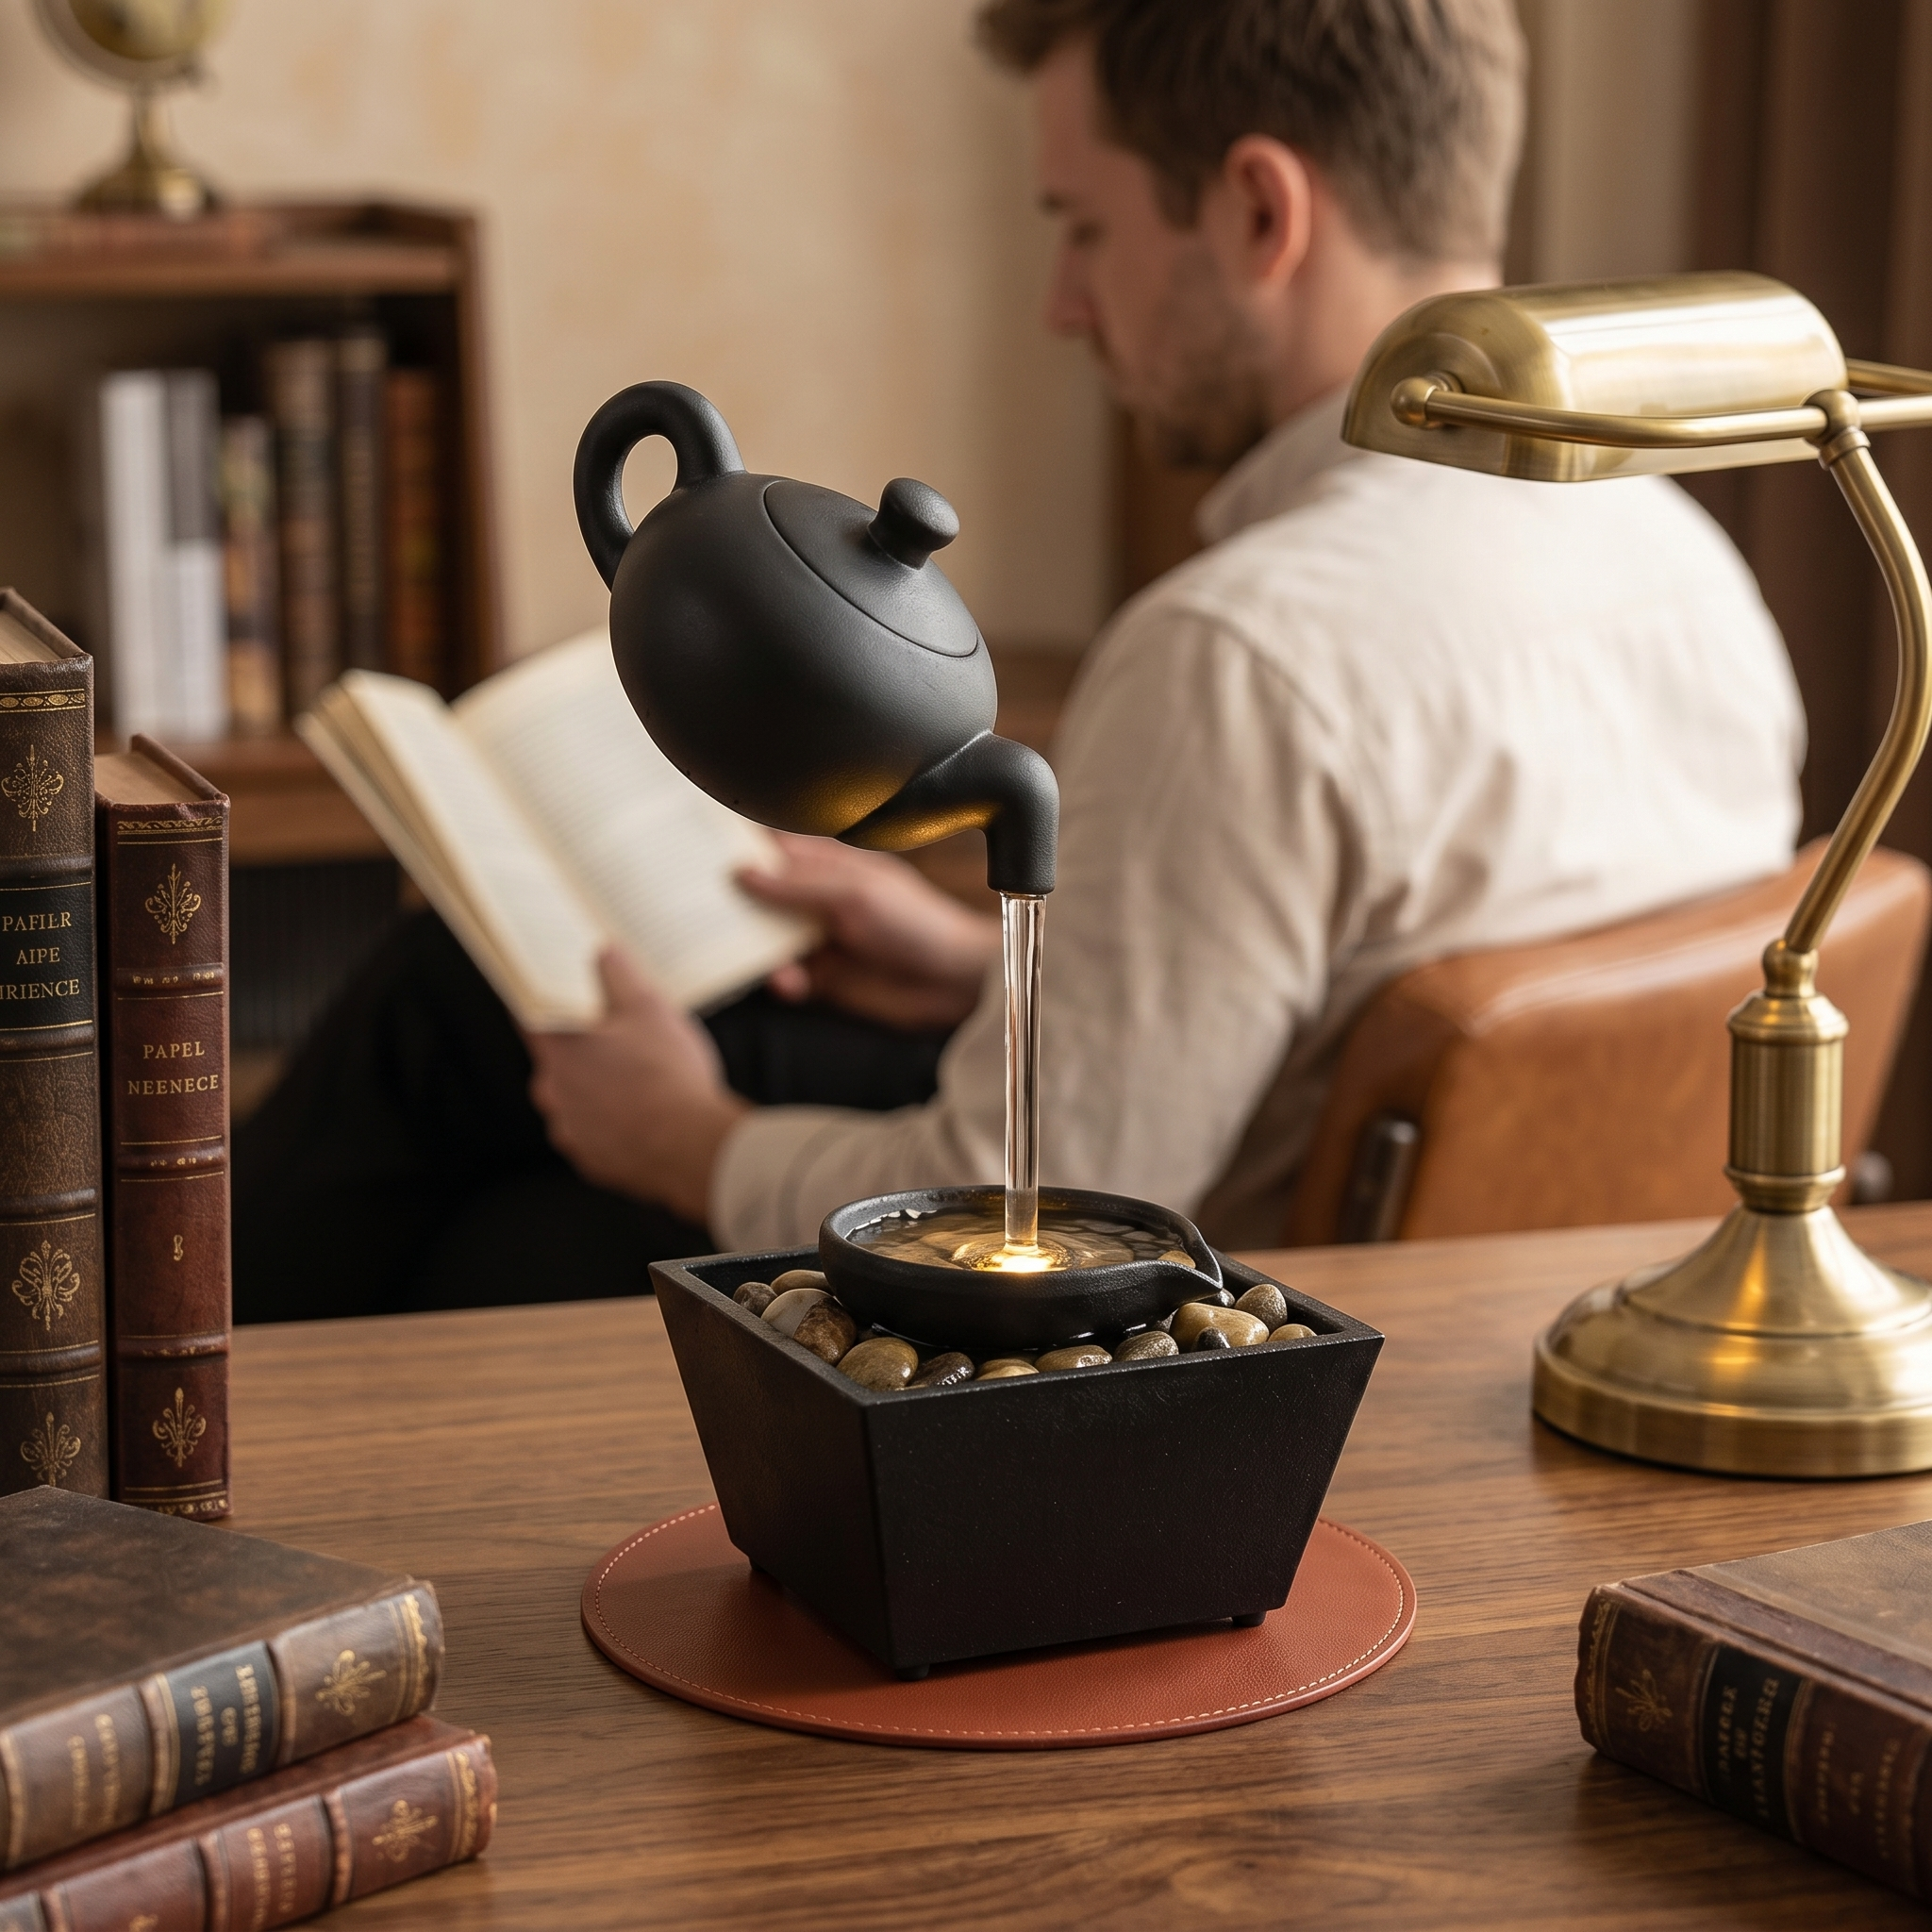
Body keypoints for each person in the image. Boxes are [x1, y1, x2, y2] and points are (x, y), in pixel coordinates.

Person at [233, 0, 1803, 1318]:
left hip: (1169, 1350)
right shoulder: (1681, 554)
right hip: (1513, 1314)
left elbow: (1032, 1223)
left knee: (478, 1166)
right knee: (475, 1015)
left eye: (1083, 227)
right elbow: (1324, 999)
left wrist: (693, 1142)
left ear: (1260, 213)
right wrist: (972, 965)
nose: (1063, 306)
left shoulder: (1247, 651)